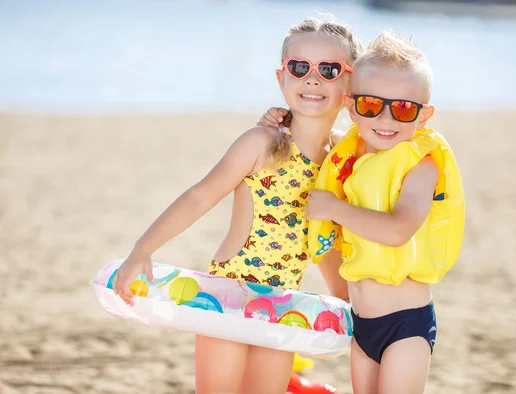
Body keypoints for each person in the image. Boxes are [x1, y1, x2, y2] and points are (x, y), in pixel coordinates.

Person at [112, 17, 363, 394]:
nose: (312, 79)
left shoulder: (342, 158)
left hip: (283, 306)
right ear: (282, 79)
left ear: (350, 84)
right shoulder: (261, 142)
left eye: (329, 70)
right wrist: (142, 249)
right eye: (300, 68)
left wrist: (345, 298)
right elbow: (200, 195)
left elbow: (324, 239)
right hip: (228, 297)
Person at [262, 31, 465, 394]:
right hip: (363, 323)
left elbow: (398, 230)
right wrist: (277, 121)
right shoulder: (349, 155)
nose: (386, 119)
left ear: (424, 116)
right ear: (353, 106)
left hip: (407, 325)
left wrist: (334, 208)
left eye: (403, 108)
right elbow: (312, 136)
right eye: (373, 105)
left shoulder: (422, 167)